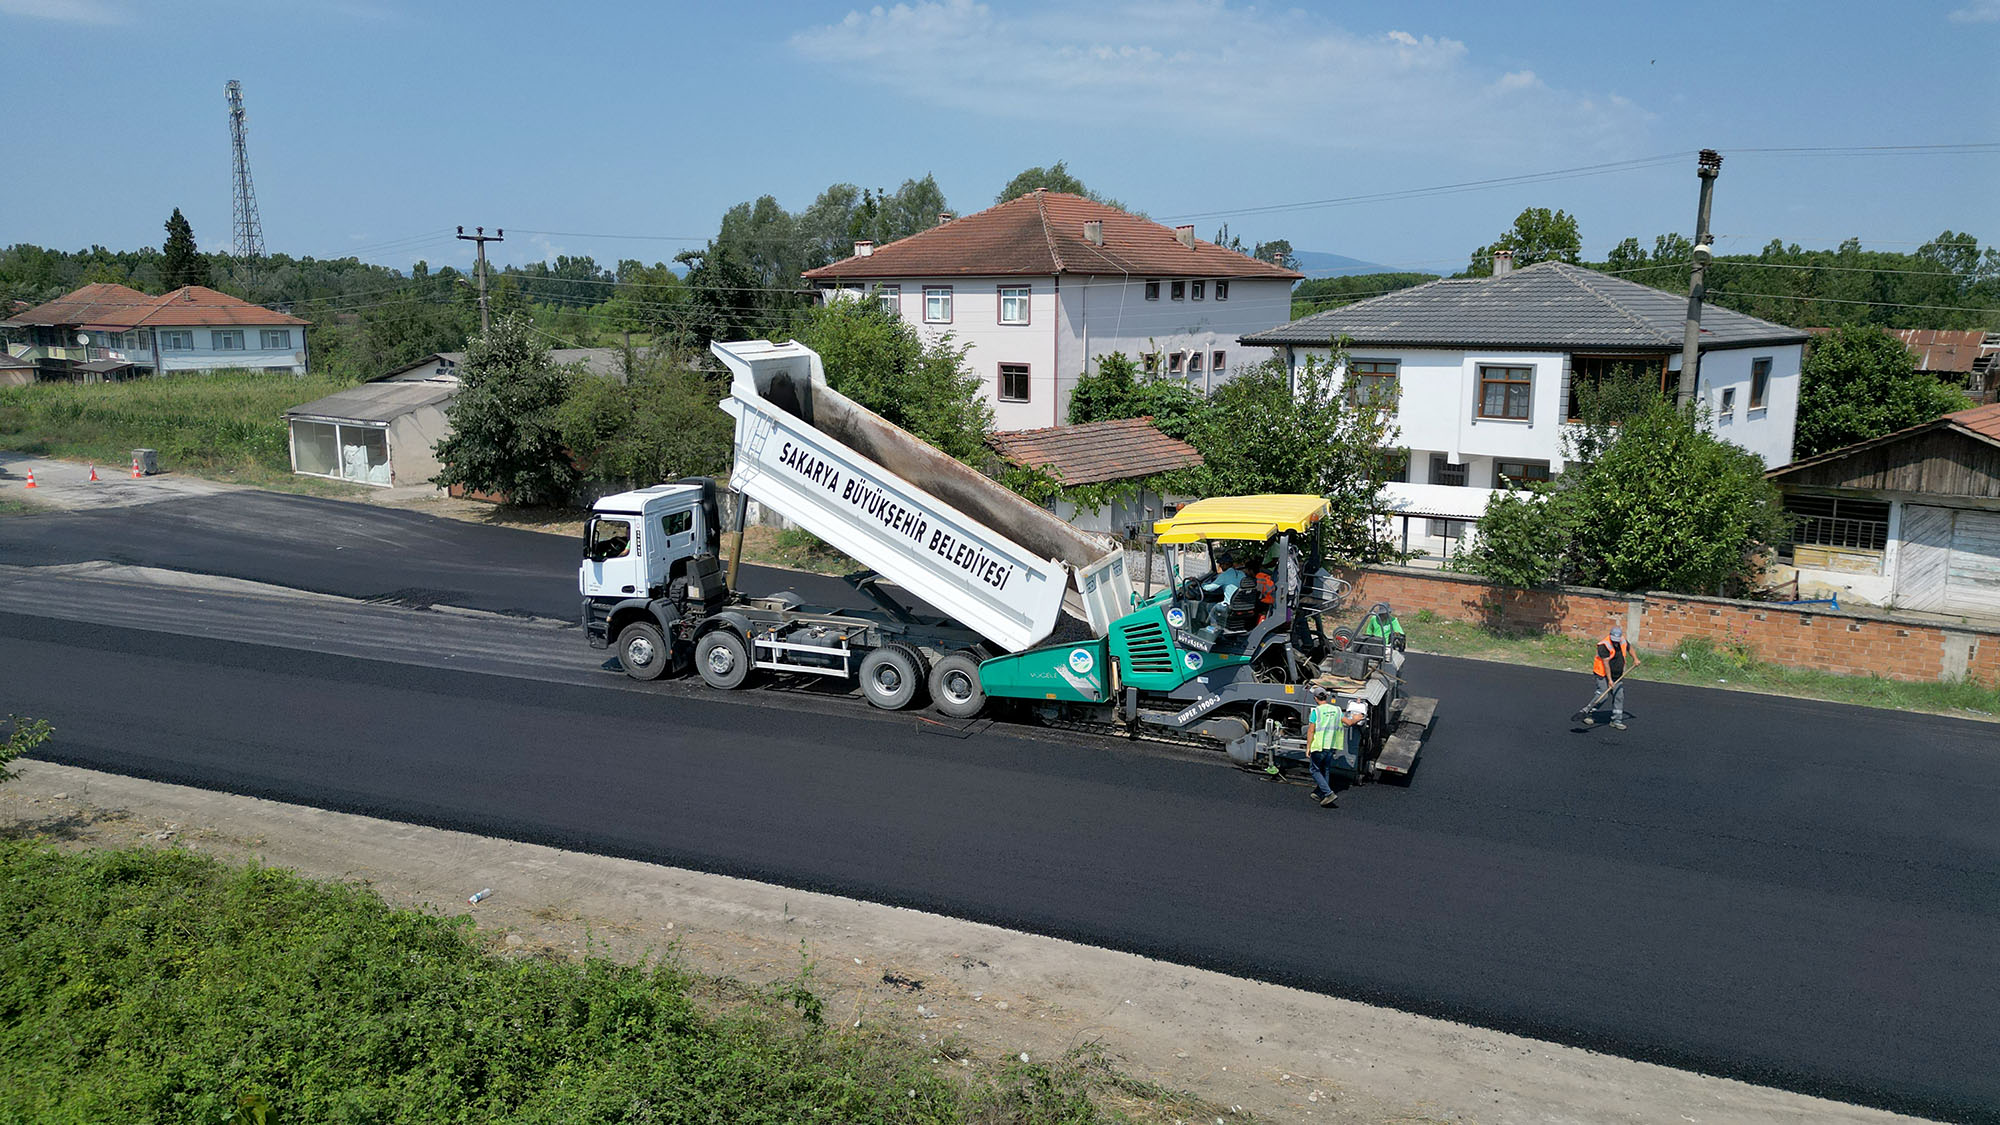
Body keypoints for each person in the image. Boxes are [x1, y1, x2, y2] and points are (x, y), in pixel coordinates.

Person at [1303, 686, 1366, 808]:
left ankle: (1328, 793)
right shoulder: (1337, 710)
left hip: (1319, 746)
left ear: (1315, 698)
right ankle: (1320, 793)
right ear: (1326, 696)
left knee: (1314, 770)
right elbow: (1348, 722)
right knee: (1325, 769)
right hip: (1331, 745)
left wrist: (1308, 747)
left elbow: (1311, 731)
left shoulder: (1316, 712)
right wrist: (1357, 717)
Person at [1584, 624, 1633, 730]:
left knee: (1619, 695)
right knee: (1603, 695)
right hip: (1602, 674)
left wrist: (1635, 658)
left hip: (1617, 674)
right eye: (1614, 640)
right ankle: (1588, 713)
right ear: (1610, 636)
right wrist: (1610, 680)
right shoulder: (1604, 645)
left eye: (1617, 640)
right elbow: (1606, 665)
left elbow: (1629, 648)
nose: (1616, 642)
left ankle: (1616, 720)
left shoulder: (1622, 641)